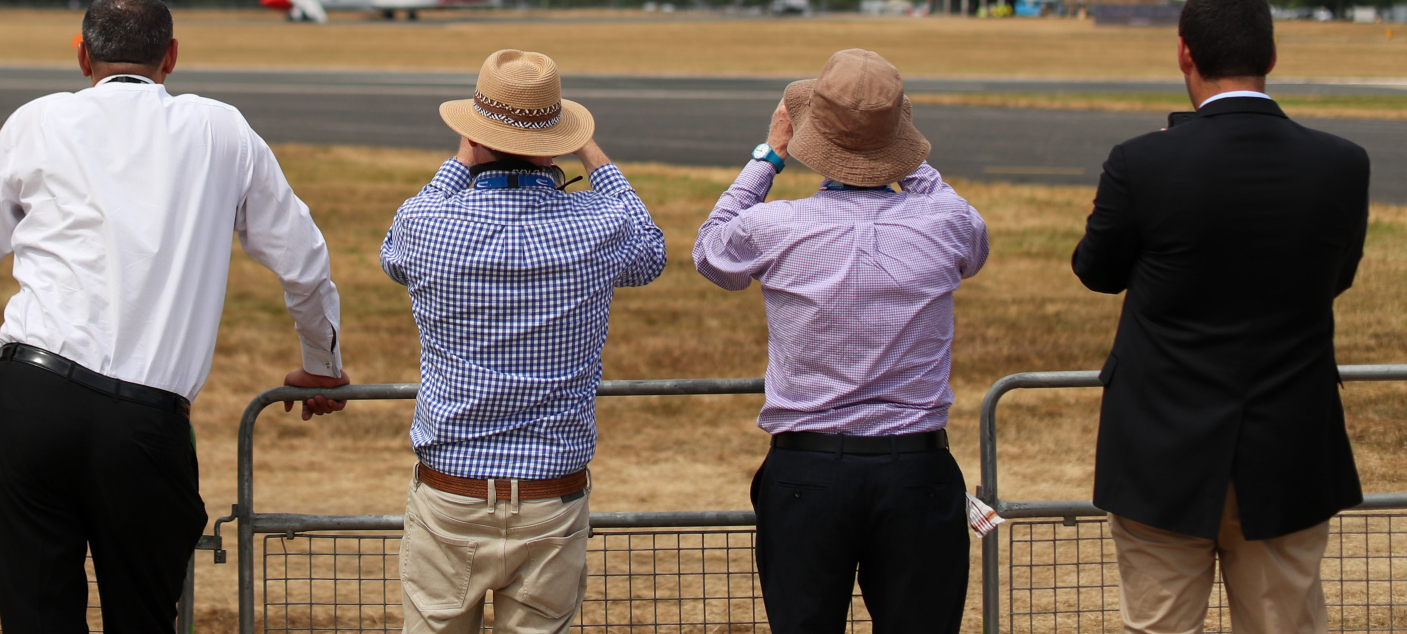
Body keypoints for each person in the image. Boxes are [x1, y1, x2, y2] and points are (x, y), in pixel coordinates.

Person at [0, 0, 350, 634]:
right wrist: (322, 364)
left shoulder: (35, 121)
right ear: (171, 56)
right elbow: (304, 260)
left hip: (29, 399)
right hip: (143, 423)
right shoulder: (220, 128)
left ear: (82, 56)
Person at [1073, 0, 1369, 634]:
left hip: (1159, 451)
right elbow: (1334, 277)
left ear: (1184, 52)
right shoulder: (1342, 164)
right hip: (1288, 449)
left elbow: (1094, 271)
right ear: (1270, 53)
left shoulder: (1140, 162)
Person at [694, 48, 988, 634]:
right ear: (901, 134)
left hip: (808, 472)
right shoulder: (948, 222)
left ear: (807, 133)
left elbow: (712, 251)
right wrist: (904, 150)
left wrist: (767, 156)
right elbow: (966, 232)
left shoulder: (775, 226)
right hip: (916, 468)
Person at [381, 49, 666, 634]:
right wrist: (591, 152)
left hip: (451, 489)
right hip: (550, 495)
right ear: (556, 144)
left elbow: (395, 250)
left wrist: (464, 156)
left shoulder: (428, 224)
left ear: (474, 139)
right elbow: (651, 250)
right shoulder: (597, 224)